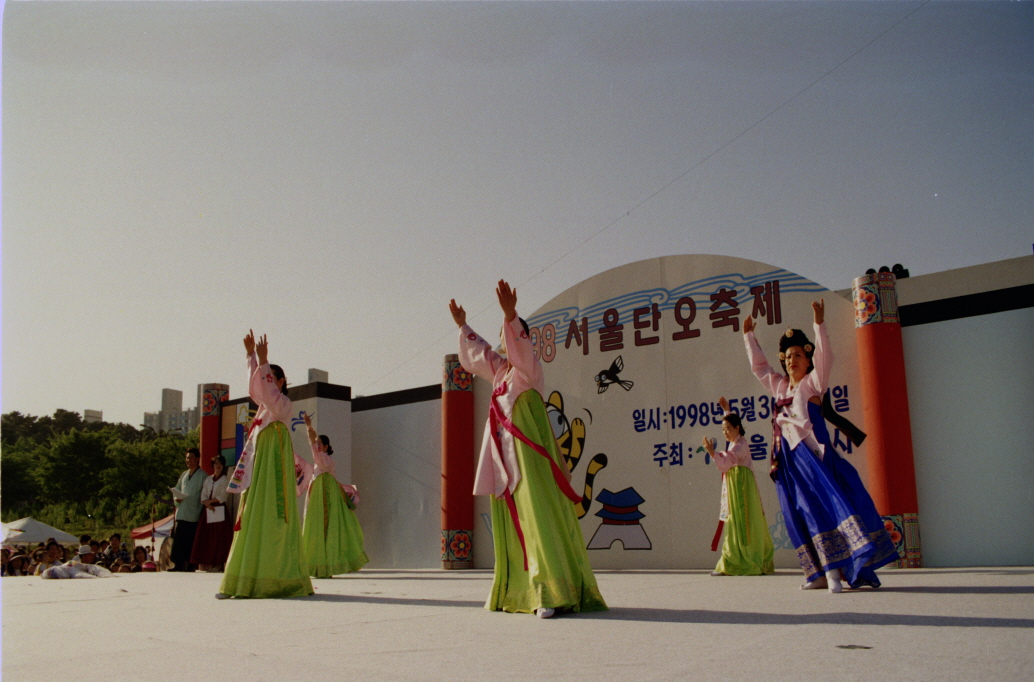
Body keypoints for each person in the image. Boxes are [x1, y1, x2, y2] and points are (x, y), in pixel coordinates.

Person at [450, 280, 607, 618]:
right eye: (503, 334)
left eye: (510, 335)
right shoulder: (501, 373)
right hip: (505, 461)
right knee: (515, 519)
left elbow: (518, 346)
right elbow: (479, 354)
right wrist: (463, 325)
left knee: (539, 516)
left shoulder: (528, 370)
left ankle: (549, 591)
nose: (504, 341)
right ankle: (519, 591)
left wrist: (511, 314)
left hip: (531, 456)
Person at [743, 299, 898, 592]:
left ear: (808, 358)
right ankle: (815, 572)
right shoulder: (778, 386)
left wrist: (819, 322)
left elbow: (826, 355)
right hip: (787, 461)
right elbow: (760, 368)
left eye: (799, 355)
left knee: (823, 509)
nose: (792, 360)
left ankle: (835, 573)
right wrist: (749, 337)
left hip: (812, 458)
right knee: (797, 512)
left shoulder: (813, 384)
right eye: (788, 356)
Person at [218, 331, 313, 599]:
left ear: (281, 382)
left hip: (275, 464)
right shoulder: (264, 409)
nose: (267, 381)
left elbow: (268, 392)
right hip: (261, 461)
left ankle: (278, 577)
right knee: (252, 513)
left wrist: (263, 360)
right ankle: (243, 578)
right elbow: (258, 388)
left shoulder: (284, 405)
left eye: (272, 376)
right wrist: (252, 358)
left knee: (273, 512)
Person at [702, 398, 774, 576]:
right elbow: (731, 428)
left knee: (741, 523)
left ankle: (739, 561)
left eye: (728, 429)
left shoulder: (740, 446)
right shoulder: (735, 442)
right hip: (736, 485)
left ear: (738, 429)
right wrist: (727, 410)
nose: (725, 432)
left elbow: (726, 462)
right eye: (723, 430)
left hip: (742, 489)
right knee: (735, 521)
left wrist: (712, 452)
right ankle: (737, 559)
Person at [301, 413, 368, 578]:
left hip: (323, 493)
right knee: (323, 526)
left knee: (321, 527)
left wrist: (309, 426)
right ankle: (321, 565)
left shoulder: (323, 459)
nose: (316, 446)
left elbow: (311, 440)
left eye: (319, 444)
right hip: (322, 491)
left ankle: (322, 565)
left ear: (325, 447)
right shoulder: (324, 461)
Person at [190, 455, 234, 572]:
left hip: (219, 509)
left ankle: (218, 563)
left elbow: (223, 495)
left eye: (220, 463)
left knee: (219, 537)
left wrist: (211, 502)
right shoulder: (208, 479)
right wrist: (207, 503)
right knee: (205, 536)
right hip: (208, 509)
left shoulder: (225, 479)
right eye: (216, 463)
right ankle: (205, 562)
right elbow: (203, 493)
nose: (218, 466)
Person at [170, 448, 206, 572]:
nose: (188, 460)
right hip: (182, 512)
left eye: (191, 458)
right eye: (187, 458)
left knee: (190, 541)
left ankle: (190, 564)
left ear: (197, 459)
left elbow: (203, 494)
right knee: (179, 540)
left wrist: (188, 499)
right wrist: (176, 497)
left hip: (193, 512)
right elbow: (178, 488)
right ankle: (178, 563)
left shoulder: (203, 476)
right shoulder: (184, 475)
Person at [40, 545, 113, 579]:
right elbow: (79, 574)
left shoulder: (75, 564)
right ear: (83, 556)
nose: (91, 557)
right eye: (88, 555)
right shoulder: (70, 567)